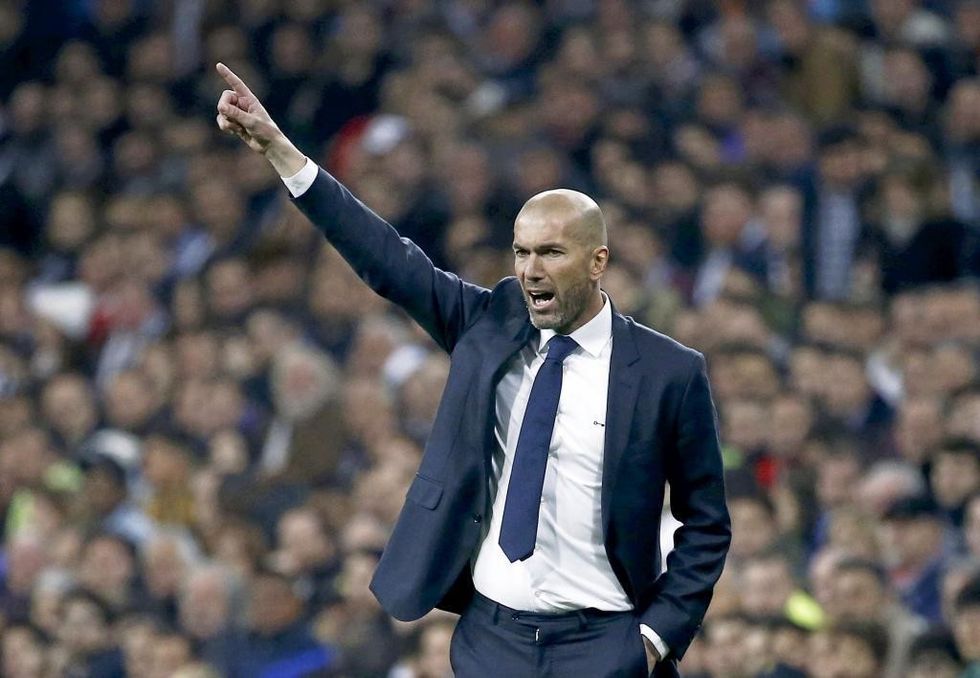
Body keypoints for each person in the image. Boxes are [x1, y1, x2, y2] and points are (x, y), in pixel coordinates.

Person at [215, 61, 730, 677]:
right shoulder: (492, 323)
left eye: (551, 253)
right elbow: (388, 261)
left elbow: (706, 522)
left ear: (597, 262)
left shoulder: (668, 372)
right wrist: (283, 154)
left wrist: (654, 636)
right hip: (492, 637)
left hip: (604, 642)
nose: (531, 269)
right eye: (522, 252)